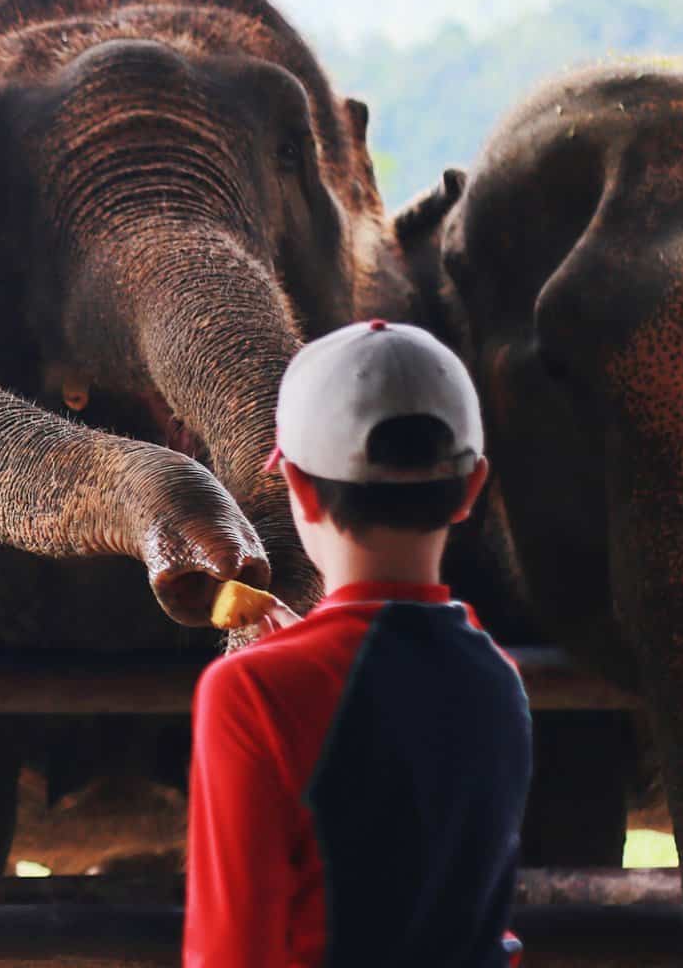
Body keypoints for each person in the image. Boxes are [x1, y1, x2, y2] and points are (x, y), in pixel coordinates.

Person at [184, 320, 532, 967]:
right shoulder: (496, 675)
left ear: (299, 488)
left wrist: (291, 670)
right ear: (472, 488)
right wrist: (309, 651)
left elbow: (231, 953)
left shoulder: (250, 694)